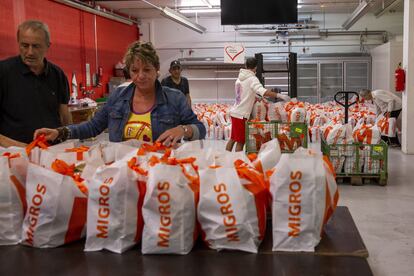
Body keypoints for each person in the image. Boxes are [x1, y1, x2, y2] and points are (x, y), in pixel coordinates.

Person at [34, 41, 206, 146]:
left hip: (160, 177)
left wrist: (183, 130)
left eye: (147, 69)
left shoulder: (174, 98)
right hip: (123, 176)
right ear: (129, 72)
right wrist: (61, 132)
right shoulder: (118, 97)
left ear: (157, 70)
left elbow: (201, 129)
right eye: (135, 70)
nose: (141, 76)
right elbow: (93, 126)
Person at [0, 20, 71, 147]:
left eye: (36, 46)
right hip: (14, 153)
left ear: (48, 46)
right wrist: (23, 148)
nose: (30, 52)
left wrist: (69, 140)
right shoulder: (3, 72)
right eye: (25, 45)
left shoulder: (57, 74)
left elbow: (64, 115)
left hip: (51, 151)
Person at [226, 57, 291, 152]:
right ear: (256, 67)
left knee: (233, 139)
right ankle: (238, 163)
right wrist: (279, 95)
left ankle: (224, 159)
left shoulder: (239, 79)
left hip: (235, 112)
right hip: (241, 115)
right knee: (241, 141)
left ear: (245, 66)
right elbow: (263, 91)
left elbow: (244, 93)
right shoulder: (252, 79)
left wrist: (256, 96)